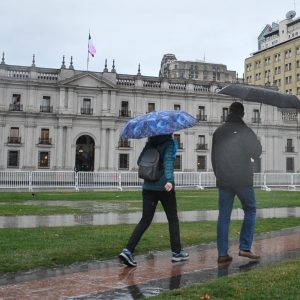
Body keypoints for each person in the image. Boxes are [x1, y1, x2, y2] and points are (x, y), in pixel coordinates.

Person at [119, 134, 189, 267]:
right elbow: (168, 162)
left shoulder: (150, 143)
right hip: (164, 187)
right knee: (173, 219)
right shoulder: (169, 143)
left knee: (145, 220)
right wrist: (169, 180)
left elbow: (140, 161)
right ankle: (177, 252)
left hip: (148, 187)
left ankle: (128, 250)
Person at [211, 102, 262, 264]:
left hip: (224, 179)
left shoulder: (218, 132)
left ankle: (222, 254)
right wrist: (256, 141)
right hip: (243, 179)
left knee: (224, 216)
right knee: (250, 209)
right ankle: (245, 247)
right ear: (242, 114)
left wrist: (218, 175)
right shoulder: (245, 131)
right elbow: (256, 153)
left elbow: (213, 158)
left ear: (229, 113)